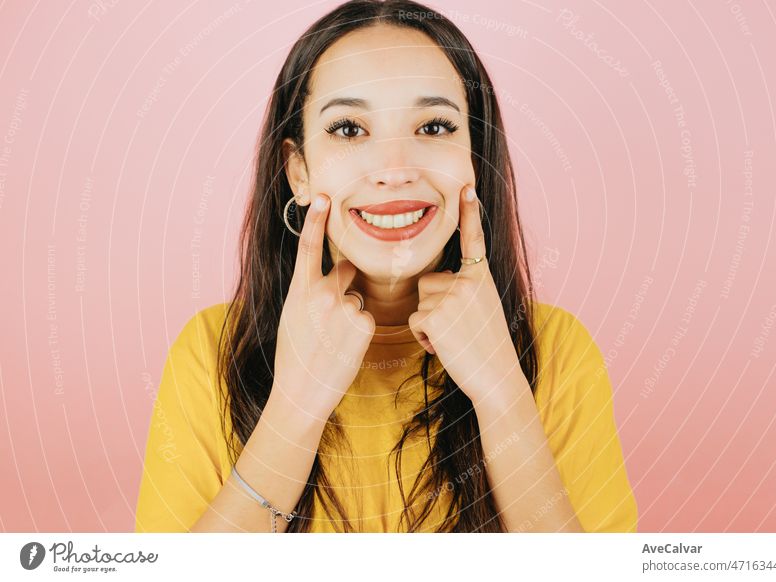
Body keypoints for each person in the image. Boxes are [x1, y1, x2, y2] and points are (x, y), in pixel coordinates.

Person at [134, 0, 637, 533]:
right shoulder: (212, 350)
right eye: (349, 129)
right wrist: (294, 408)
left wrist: (501, 391)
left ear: (474, 156)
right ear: (298, 170)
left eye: (435, 126)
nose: (394, 171)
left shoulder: (557, 349)